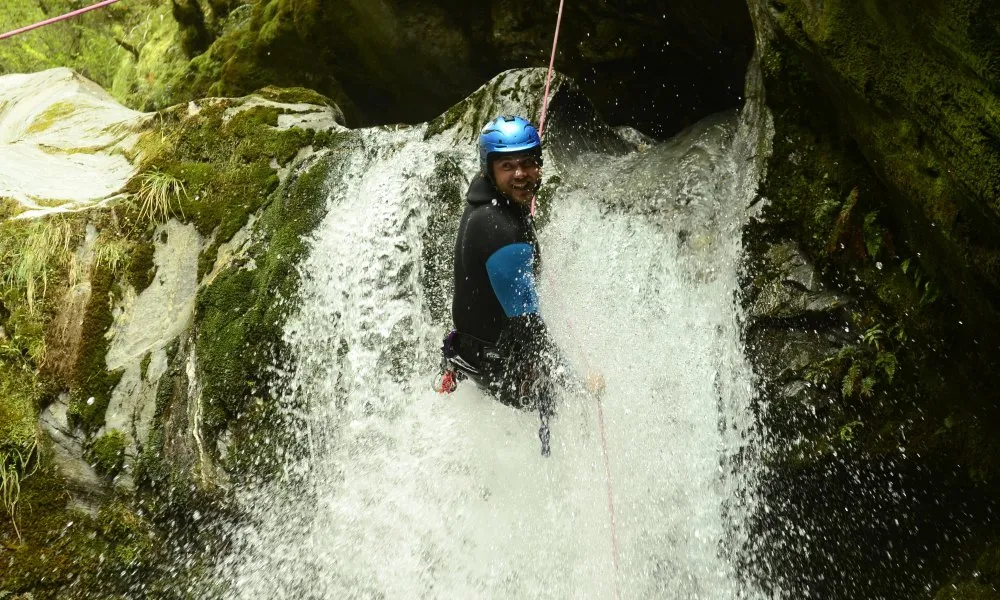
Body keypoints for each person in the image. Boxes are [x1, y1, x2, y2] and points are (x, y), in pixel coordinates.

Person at [436, 114, 604, 456]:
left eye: (528, 163)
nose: (520, 174)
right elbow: (528, 328)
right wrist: (575, 383)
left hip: (473, 352)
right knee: (562, 403)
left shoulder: (489, 201)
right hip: (497, 367)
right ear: (489, 169)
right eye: (508, 165)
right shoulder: (500, 233)